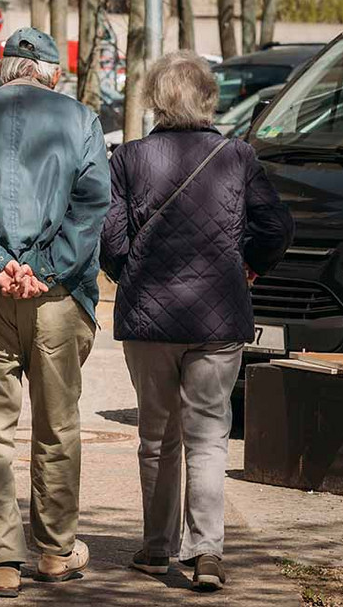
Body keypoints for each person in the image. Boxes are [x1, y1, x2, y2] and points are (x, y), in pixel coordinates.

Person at [100, 51, 293, 591]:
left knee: (156, 436)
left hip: (149, 321)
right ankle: (206, 552)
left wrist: (132, 274)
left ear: (157, 100)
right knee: (208, 437)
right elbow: (276, 226)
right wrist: (249, 264)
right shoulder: (238, 157)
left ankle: (156, 549)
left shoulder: (128, 158)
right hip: (218, 316)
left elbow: (109, 239)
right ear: (210, 100)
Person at [0, 27, 110, 598]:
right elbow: (90, 209)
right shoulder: (81, 121)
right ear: (53, 73)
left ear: (1, 66)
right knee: (57, 427)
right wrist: (44, 268)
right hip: (55, 298)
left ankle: (1, 561)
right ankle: (55, 552)